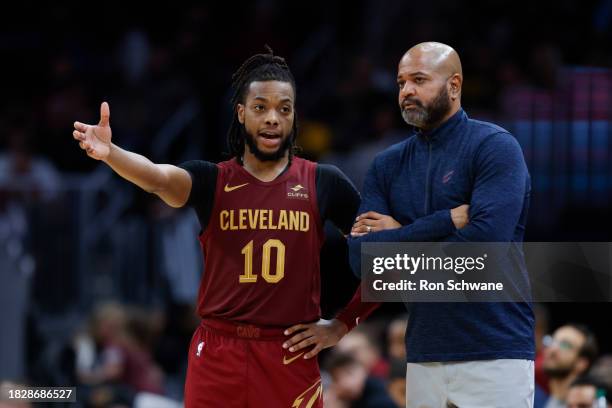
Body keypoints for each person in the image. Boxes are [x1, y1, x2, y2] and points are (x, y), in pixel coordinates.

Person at [72, 49, 378, 408]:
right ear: (241, 112)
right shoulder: (212, 180)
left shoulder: (324, 182)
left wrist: (342, 325)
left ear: (294, 116)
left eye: (284, 108)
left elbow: (383, 257)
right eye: (261, 107)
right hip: (218, 351)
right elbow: (157, 177)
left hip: (288, 353)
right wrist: (111, 153)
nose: (273, 118)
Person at [347, 42, 535, 407]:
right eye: (402, 83)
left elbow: (482, 250)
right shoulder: (386, 165)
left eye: (419, 80)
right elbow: (362, 262)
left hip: (496, 351)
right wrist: (445, 221)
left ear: (454, 85)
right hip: (423, 354)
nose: (407, 92)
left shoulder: (494, 147)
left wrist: (396, 237)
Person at [542, 324, 599, 408]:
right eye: (551, 341)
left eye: (565, 345)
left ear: (581, 363)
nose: (552, 349)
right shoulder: (535, 397)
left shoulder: (594, 403)